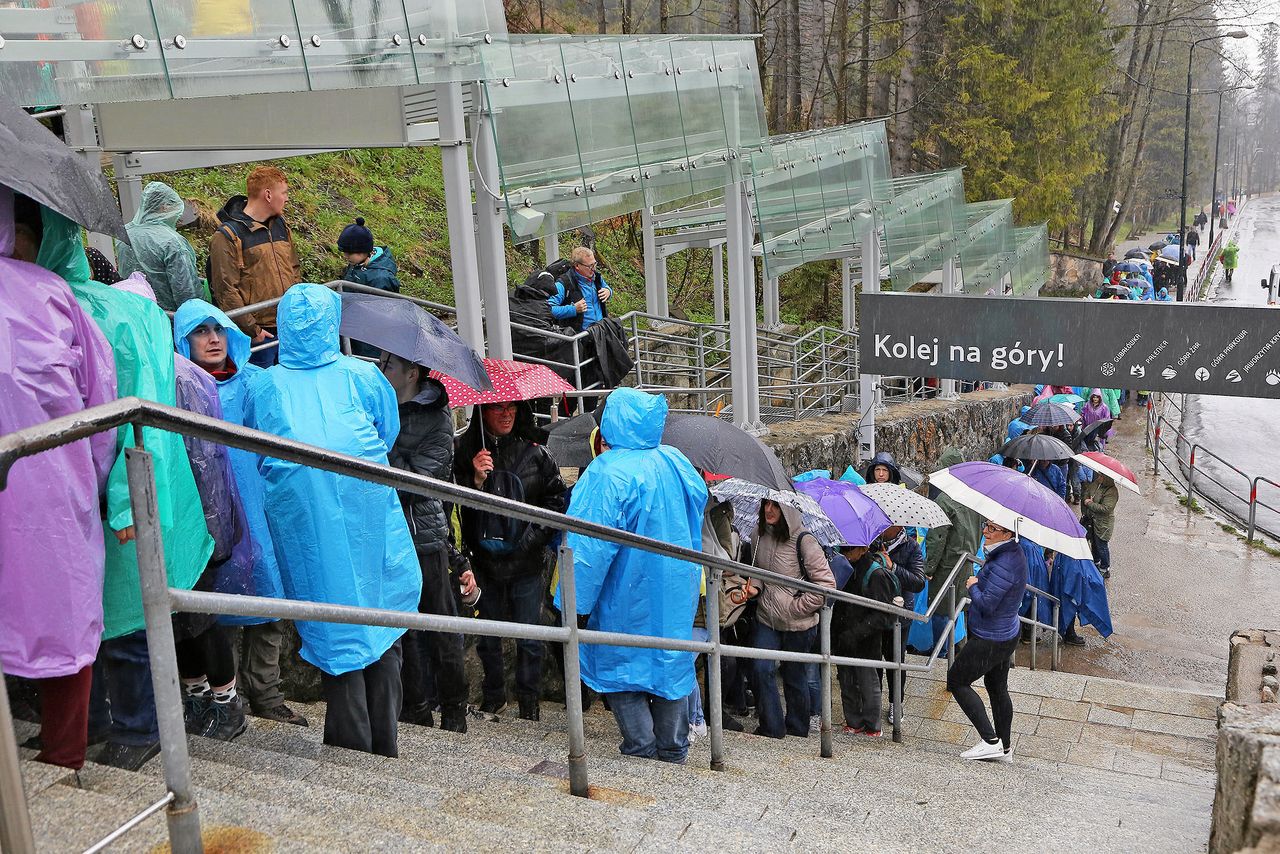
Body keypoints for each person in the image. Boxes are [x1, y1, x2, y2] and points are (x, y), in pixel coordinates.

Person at [29, 202, 214, 771]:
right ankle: (96, 723)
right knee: (85, 610)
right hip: (77, 484)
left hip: (122, 482)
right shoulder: (53, 309)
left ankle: (139, 728)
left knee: (127, 612)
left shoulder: (109, 314)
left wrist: (126, 497)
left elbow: (138, 413)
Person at [243, 283, 421, 757]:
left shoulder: (266, 383)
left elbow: (254, 448)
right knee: (379, 626)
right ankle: (381, 748)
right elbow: (388, 430)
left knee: (336, 631)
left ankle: (349, 753)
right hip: (370, 520)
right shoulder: (361, 376)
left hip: (307, 531)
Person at [0, 188, 118, 770]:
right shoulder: (54, 296)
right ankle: (62, 759)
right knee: (61, 618)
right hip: (50, 492)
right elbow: (104, 411)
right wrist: (89, 487)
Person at [173, 299, 307, 727]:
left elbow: (278, 447)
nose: (213, 339)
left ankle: (265, 693)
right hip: (206, 510)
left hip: (257, 508)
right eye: (200, 331)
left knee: (266, 600)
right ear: (183, 339)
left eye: (219, 329)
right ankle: (222, 698)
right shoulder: (178, 387)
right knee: (215, 610)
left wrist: (278, 502)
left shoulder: (253, 383)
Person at [557, 388, 708, 763]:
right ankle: (674, 751)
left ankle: (641, 750)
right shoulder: (676, 461)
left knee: (621, 667)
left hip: (626, 593)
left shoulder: (607, 472)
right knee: (671, 667)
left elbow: (587, 547)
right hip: (676, 592)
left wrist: (570, 600)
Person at [379, 352, 476, 734]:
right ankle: (415, 708)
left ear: (411, 374)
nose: (380, 370)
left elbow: (422, 480)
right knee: (405, 626)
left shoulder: (437, 416)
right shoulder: (381, 407)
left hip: (424, 534)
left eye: (388, 365)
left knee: (440, 624)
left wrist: (386, 455)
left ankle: (454, 710)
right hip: (390, 532)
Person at [455, 398, 568, 719]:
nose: (505, 414)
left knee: (530, 635)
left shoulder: (537, 453)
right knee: (488, 634)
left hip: (527, 563)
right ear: (482, 412)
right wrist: (474, 480)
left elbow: (556, 502)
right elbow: (455, 507)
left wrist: (530, 541)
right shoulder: (467, 453)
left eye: (511, 408)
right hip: (483, 561)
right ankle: (494, 696)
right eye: (496, 408)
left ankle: (529, 703)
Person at [750, 499, 836, 739]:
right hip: (766, 617)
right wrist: (754, 588)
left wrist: (796, 607)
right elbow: (756, 571)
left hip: (799, 623)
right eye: (766, 504)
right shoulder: (757, 534)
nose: (769, 510)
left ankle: (798, 728)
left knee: (794, 674)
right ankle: (772, 727)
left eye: (775, 506)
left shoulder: (804, 541)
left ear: (787, 509)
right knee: (760, 668)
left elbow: (826, 585)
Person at [948, 519, 1026, 761]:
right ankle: (1004, 747)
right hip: (1006, 633)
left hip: (991, 638)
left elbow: (987, 604)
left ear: (1008, 533)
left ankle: (990, 740)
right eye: (985, 525)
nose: (985, 531)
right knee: (997, 688)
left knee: (957, 680)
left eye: (992, 529)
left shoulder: (1004, 563)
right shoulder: (1012, 552)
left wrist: (973, 585)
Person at [209, 165, 302, 368]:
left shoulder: (281, 225)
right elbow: (226, 290)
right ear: (268, 195)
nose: (286, 198)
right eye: (284, 193)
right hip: (260, 334)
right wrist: (253, 330)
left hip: (288, 326)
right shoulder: (227, 236)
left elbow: (294, 268)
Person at [831, 542, 897, 736]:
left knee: (868, 684)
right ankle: (853, 721)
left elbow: (883, 614)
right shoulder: (842, 567)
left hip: (866, 639)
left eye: (849, 549)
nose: (845, 553)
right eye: (842, 549)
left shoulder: (875, 574)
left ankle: (873, 725)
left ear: (863, 549)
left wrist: (856, 632)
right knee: (846, 681)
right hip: (843, 635)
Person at [923, 447, 983, 651]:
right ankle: (959, 647)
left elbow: (937, 537)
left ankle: (940, 654)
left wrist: (929, 568)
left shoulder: (944, 500)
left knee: (941, 609)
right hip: (967, 562)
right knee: (961, 607)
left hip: (947, 567)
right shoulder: (973, 498)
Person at [115, 182, 203, 311]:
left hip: (134, 312)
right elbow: (187, 292)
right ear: (164, 207)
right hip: (168, 319)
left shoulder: (125, 234)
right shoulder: (172, 242)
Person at [338, 218, 402, 359]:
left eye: (349, 253)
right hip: (354, 330)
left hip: (371, 338)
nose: (345, 256)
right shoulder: (357, 265)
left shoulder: (381, 278)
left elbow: (384, 314)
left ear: (363, 251)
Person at [880, 526, 926, 719]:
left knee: (896, 660)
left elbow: (918, 582)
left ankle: (895, 703)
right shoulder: (873, 541)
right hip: (874, 609)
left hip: (899, 613)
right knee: (872, 659)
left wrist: (893, 567)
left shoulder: (912, 546)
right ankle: (872, 702)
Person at [547, 246, 612, 333]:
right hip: (579, 338)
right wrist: (573, 309)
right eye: (590, 266)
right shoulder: (563, 284)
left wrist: (608, 291)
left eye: (595, 264)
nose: (594, 269)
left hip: (600, 331)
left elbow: (606, 287)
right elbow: (549, 310)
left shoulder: (596, 277)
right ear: (577, 266)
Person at [1082, 473, 1119, 580]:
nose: (1098, 478)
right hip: (1092, 520)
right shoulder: (1096, 484)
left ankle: (1105, 568)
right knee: (1094, 542)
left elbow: (1106, 509)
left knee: (1102, 545)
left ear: (1107, 478)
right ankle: (1096, 562)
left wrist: (1089, 504)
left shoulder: (1112, 492)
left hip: (1103, 524)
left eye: (1101, 476)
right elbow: (1087, 493)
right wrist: (1087, 498)